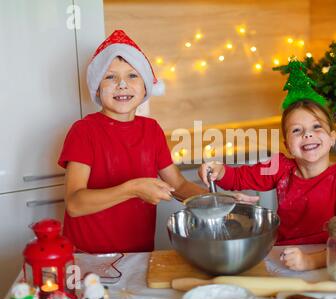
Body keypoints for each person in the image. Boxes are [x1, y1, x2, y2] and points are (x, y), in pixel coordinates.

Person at [58, 30, 257, 253]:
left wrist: (220, 201)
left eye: (132, 75)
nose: (122, 84)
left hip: (140, 254)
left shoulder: (151, 130)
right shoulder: (84, 131)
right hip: (88, 257)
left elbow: (178, 186)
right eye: (110, 76)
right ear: (97, 87)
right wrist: (133, 189)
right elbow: (75, 204)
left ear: (145, 86)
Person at [198, 59, 336, 271]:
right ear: (288, 145)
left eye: (316, 127)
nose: (307, 134)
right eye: (297, 130)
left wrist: (310, 261)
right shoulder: (280, 167)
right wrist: (219, 169)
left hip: (332, 261)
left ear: (332, 138)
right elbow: (239, 177)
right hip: (284, 257)